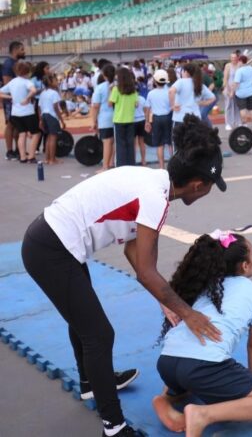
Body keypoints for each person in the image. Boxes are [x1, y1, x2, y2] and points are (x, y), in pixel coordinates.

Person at [21, 118, 228, 437]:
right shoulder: (155, 197)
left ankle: (93, 383)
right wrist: (188, 313)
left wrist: (166, 303)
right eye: (213, 186)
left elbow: (135, 254)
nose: (209, 191)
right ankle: (114, 427)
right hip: (51, 248)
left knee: (84, 323)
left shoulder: (155, 183)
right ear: (199, 185)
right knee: (99, 335)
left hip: (55, 242)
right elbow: (146, 271)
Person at [152, 233, 252, 435]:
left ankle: (165, 398)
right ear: (246, 266)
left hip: (167, 363)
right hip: (203, 367)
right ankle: (203, 415)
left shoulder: (207, 285)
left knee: (191, 380)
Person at [0, 61, 39, 163]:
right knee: (36, 133)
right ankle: (31, 156)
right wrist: (27, 98)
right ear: (28, 71)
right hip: (28, 112)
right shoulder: (27, 82)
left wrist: (10, 96)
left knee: (22, 134)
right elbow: (34, 91)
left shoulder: (12, 82)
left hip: (15, 113)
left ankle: (22, 157)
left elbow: (0, 93)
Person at [109, 67, 139, 167]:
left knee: (120, 145)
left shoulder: (116, 89)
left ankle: (121, 165)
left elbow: (110, 103)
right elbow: (136, 104)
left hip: (119, 120)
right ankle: (131, 164)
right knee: (130, 144)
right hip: (130, 120)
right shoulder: (133, 90)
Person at [170, 63, 215, 129]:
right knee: (194, 139)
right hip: (195, 118)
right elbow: (213, 98)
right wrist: (202, 103)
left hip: (180, 117)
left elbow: (171, 91)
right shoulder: (200, 84)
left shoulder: (181, 82)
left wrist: (172, 105)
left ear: (185, 72)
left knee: (179, 139)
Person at [146, 69, 173, 170]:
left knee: (159, 144)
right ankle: (172, 165)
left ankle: (161, 167)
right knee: (170, 143)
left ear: (155, 81)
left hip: (156, 119)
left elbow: (147, 109)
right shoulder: (169, 91)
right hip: (168, 117)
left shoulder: (151, 93)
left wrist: (147, 122)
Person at [38, 74, 67, 165]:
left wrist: (41, 120)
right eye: (55, 80)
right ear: (50, 82)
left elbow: (39, 107)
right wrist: (62, 120)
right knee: (53, 137)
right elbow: (56, 107)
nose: (57, 82)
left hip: (44, 115)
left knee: (48, 138)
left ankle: (47, 158)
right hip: (52, 116)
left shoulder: (43, 93)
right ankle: (52, 159)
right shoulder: (54, 93)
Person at [91, 64, 116, 172]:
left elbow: (95, 106)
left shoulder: (100, 87)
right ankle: (111, 162)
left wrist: (93, 121)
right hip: (116, 116)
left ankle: (105, 166)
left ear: (104, 75)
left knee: (106, 142)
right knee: (113, 141)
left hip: (104, 118)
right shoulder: (118, 85)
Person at [3, 41, 24, 160]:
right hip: (10, 101)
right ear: (15, 50)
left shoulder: (16, 63)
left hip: (18, 100)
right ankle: (9, 151)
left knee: (17, 125)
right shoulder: (8, 64)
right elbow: (7, 83)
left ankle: (18, 150)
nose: (24, 51)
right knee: (11, 124)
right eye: (22, 49)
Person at [233, 56, 252, 130]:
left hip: (241, 93)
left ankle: (245, 124)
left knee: (242, 109)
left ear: (241, 61)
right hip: (251, 92)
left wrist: (233, 91)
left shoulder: (239, 71)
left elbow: (236, 82)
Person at [222, 52, 242, 131]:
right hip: (229, 88)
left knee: (238, 106)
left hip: (237, 88)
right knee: (229, 106)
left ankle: (238, 122)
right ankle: (228, 123)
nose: (233, 59)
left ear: (237, 58)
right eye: (232, 57)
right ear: (230, 58)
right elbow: (225, 79)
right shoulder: (228, 66)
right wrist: (229, 90)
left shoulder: (240, 65)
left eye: (235, 57)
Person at [134, 94, 149, 166]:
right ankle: (143, 160)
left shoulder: (130, 98)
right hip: (142, 120)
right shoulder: (142, 98)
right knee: (142, 142)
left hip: (133, 121)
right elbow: (145, 110)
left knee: (133, 143)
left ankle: (133, 160)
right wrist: (147, 121)